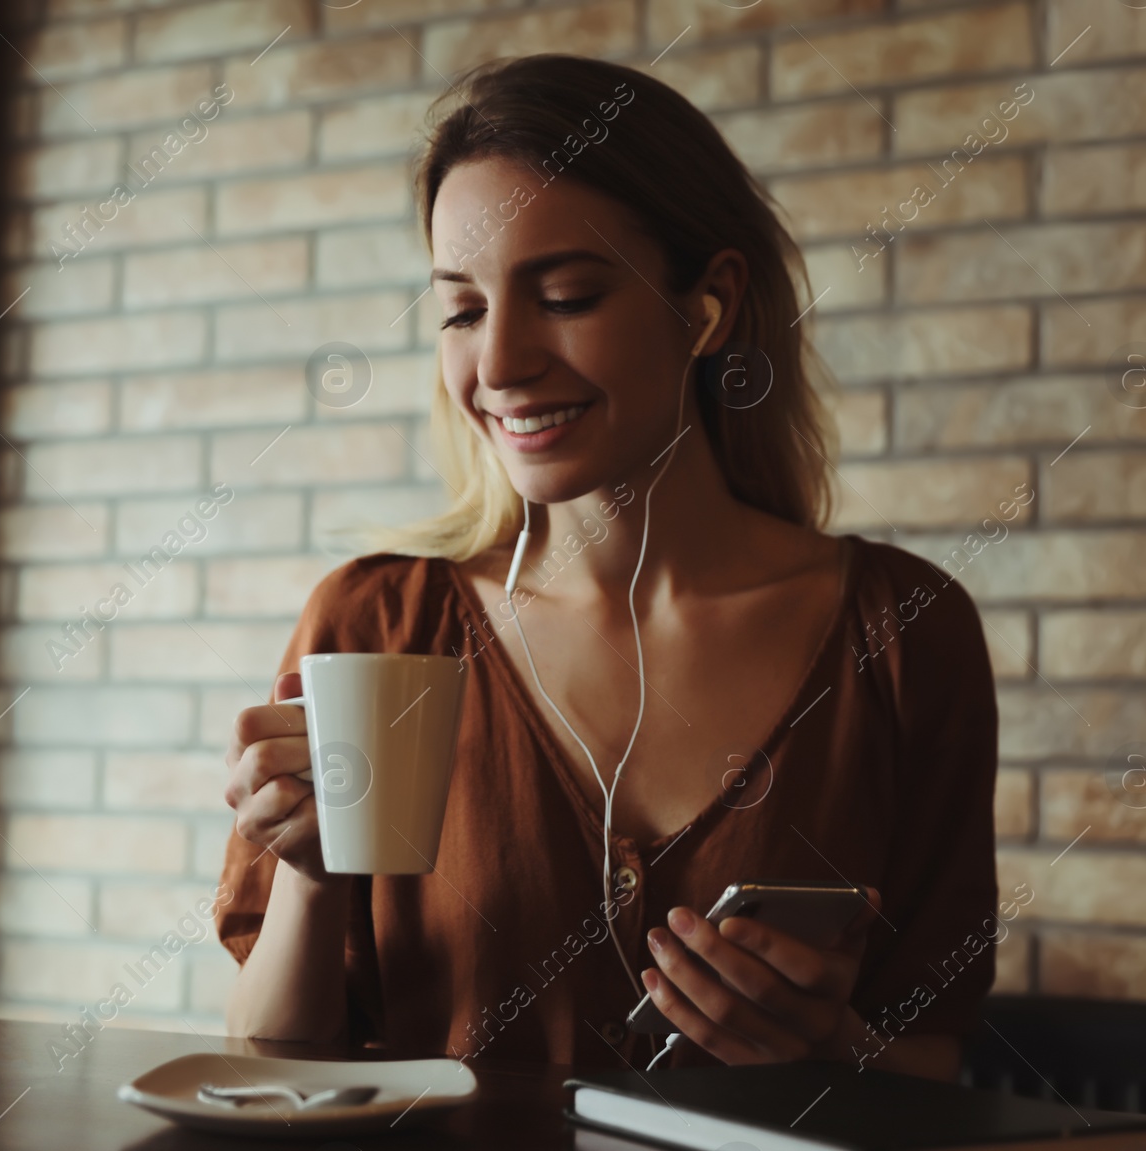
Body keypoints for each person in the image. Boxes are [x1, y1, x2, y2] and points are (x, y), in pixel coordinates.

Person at [216, 53, 999, 1078]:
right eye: (461, 310)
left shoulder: (904, 631)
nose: (497, 366)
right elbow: (271, 1065)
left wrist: (828, 1047)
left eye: (567, 295)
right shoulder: (374, 621)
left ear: (709, 306)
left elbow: (931, 1072)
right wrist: (312, 883)